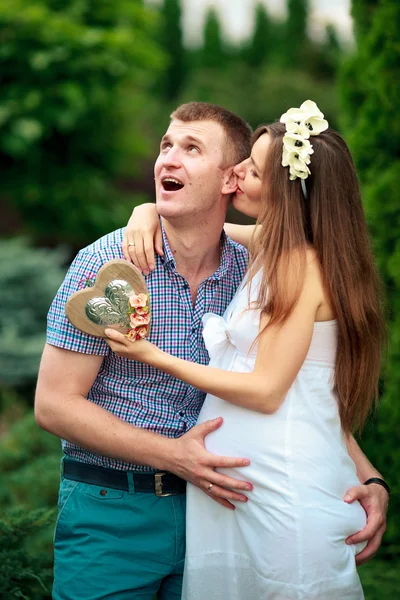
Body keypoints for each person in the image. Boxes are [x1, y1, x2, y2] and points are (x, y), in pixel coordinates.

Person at [105, 100, 389, 599]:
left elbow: (266, 391)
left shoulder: (299, 266)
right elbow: (196, 226)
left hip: (283, 492)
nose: (235, 173)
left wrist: (154, 356)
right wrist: (146, 208)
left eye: (251, 169)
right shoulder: (274, 246)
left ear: (284, 190)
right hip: (245, 495)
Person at [35, 103, 256, 600]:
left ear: (231, 180)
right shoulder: (104, 263)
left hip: (220, 519)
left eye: (191, 148)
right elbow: (53, 405)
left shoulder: (253, 273)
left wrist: (368, 476)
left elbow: (289, 386)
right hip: (110, 509)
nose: (168, 160)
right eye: (166, 145)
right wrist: (175, 456)